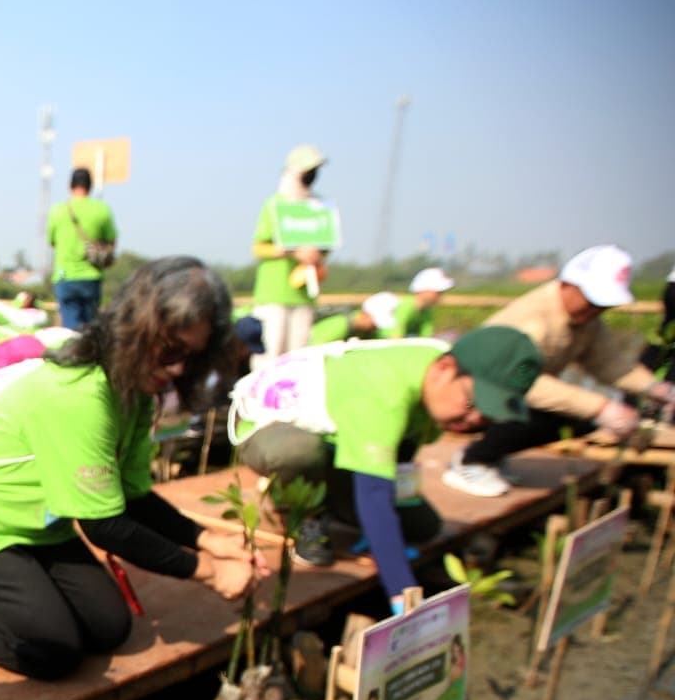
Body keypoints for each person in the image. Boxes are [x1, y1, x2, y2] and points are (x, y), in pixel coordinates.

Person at [0, 258, 258, 680]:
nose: (177, 370)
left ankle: (5, 596)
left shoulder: (136, 392)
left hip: (40, 531)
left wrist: (208, 539)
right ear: (133, 328)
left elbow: (133, 497)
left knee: (109, 630)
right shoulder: (81, 392)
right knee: (53, 653)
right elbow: (104, 527)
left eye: (191, 358)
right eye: (170, 350)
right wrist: (208, 571)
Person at [232, 327, 541, 612]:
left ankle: (332, 496)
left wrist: (387, 521)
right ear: (445, 369)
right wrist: (401, 591)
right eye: (473, 404)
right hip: (268, 428)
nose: (476, 420)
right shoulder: (386, 390)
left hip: (341, 438)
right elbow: (375, 495)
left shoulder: (439, 389)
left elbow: (402, 456)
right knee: (298, 453)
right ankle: (300, 511)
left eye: (489, 415)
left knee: (422, 528)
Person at [444, 245, 673, 498]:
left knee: (581, 416)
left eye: (604, 304)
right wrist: (601, 406)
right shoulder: (535, 322)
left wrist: (658, 388)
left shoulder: (586, 321)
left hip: (502, 395)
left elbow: (609, 364)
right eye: (592, 300)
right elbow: (520, 382)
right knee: (574, 413)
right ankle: (471, 460)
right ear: (567, 285)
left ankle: (492, 454)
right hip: (468, 398)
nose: (596, 309)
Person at [249, 145, 329, 370]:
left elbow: (326, 246)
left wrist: (315, 255)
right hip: (274, 293)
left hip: (304, 292)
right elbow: (258, 247)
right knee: (270, 352)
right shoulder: (275, 204)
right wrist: (290, 252)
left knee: (298, 356)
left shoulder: (319, 207)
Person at [47, 168, 116, 330]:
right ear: (90, 186)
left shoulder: (57, 211)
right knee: (90, 328)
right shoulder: (102, 209)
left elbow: (52, 241)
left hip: (65, 276)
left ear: (69, 185)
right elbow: (111, 242)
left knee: (71, 329)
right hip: (91, 277)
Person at [306, 292, 400, 345]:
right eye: (374, 324)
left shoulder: (367, 331)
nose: (375, 328)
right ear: (365, 314)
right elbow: (312, 347)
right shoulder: (340, 324)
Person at [394, 268, 454, 339]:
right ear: (424, 290)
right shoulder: (405, 306)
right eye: (438, 292)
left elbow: (426, 338)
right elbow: (395, 338)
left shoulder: (427, 311)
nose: (440, 295)